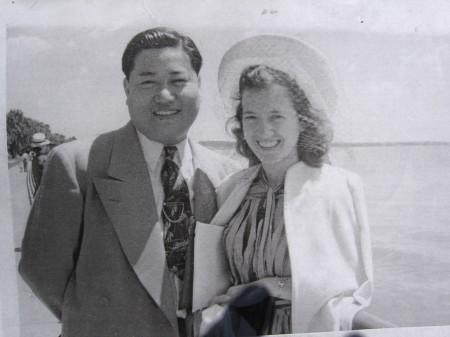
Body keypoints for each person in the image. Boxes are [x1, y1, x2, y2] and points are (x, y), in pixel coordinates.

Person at [19, 27, 239, 337]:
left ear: (199, 85)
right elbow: (41, 271)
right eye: (148, 81)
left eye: (178, 81)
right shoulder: (78, 164)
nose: (164, 96)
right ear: (127, 89)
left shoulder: (227, 174)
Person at [193, 35, 373, 336]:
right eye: (252, 117)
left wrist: (267, 287)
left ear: (303, 121)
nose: (264, 131)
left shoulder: (337, 187)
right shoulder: (231, 190)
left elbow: (346, 286)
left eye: (276, 116)